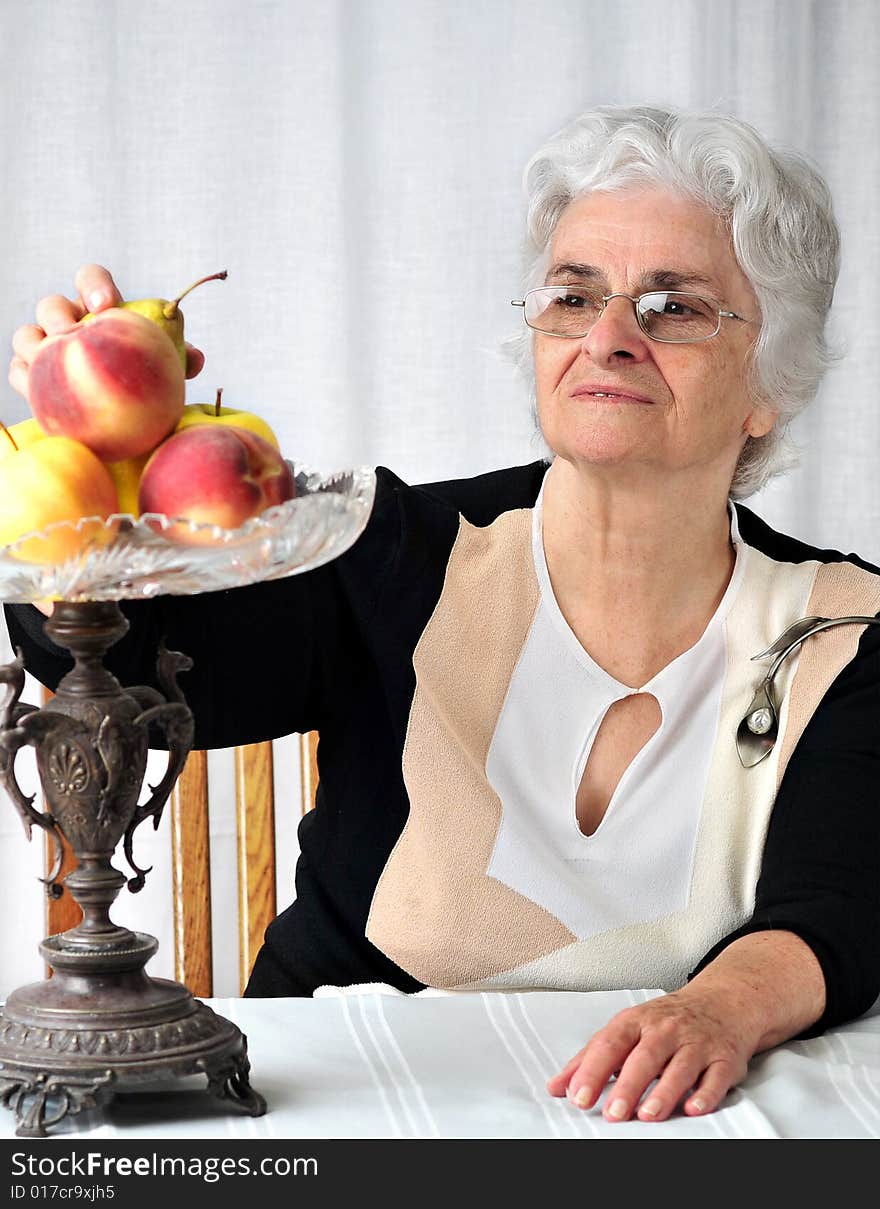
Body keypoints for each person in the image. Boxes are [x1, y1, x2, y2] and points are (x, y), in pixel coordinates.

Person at [6, 105, 879, 1127]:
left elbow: (840, 903)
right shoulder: (398, 550)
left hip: (656, 1117)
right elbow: (138, 669)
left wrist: (721, 1009)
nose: (607, 338)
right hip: (345, 1099)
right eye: (573, 295)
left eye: (672, 308)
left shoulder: (840, 630)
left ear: (766, 386)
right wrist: (96, 453)